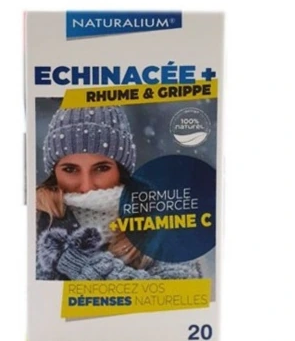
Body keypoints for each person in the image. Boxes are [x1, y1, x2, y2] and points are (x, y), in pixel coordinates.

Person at [36, 105, 201, 281]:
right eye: (70, 169)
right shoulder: (32, 222)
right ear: (54, 173)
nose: (86, 186)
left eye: (101, 168)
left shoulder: (163, 225)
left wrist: (78, 262)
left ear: (120, 171)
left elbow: (176, 291)